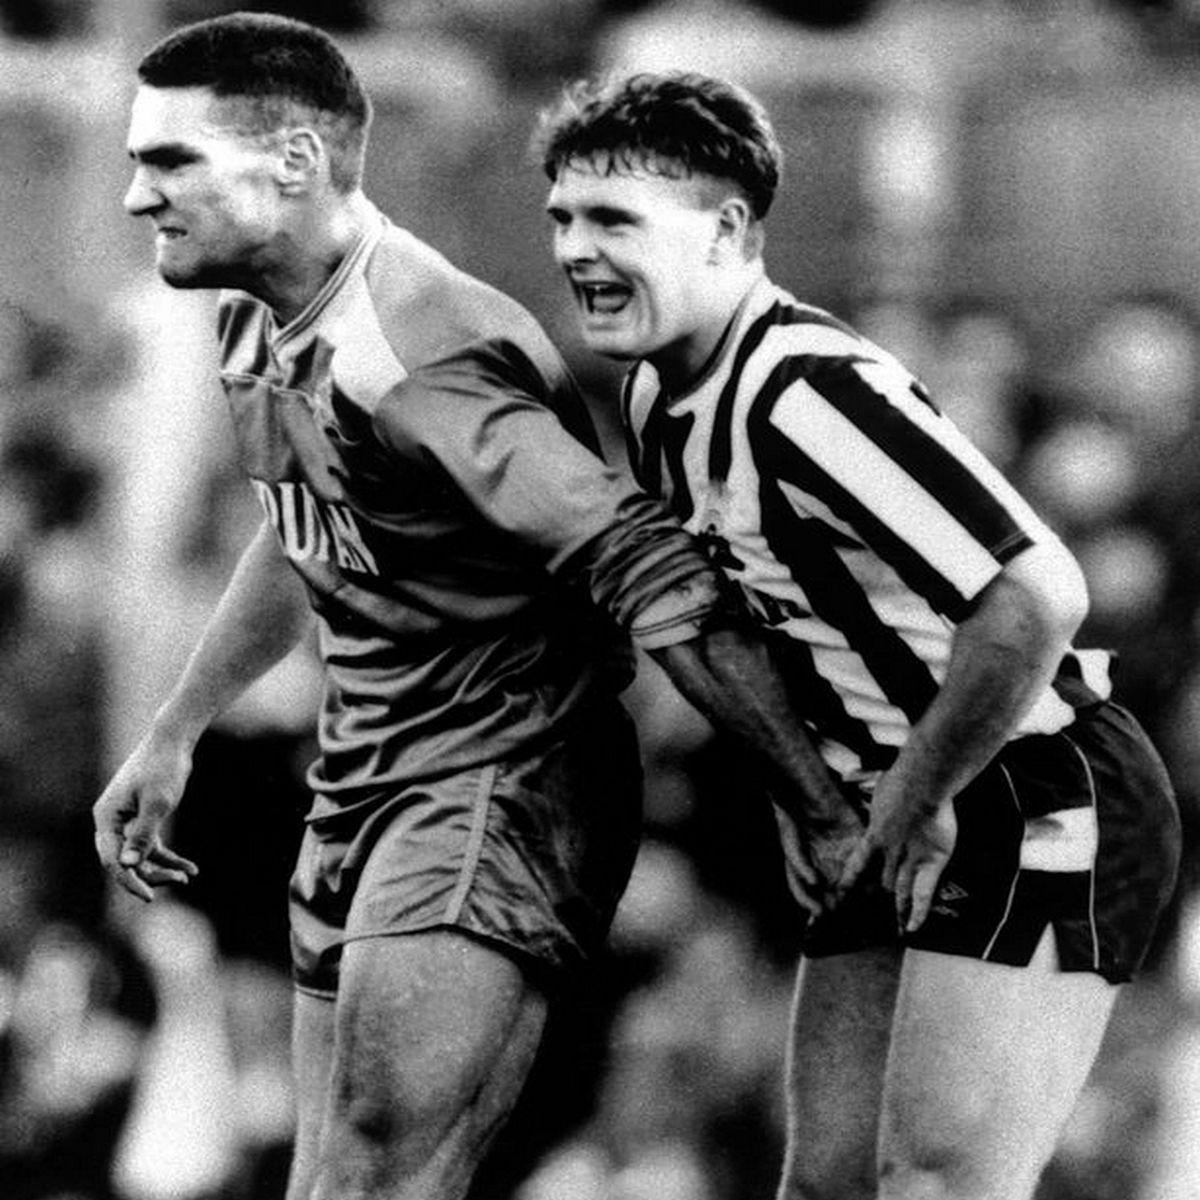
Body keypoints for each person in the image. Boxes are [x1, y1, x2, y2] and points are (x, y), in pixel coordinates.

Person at [92, 17, 858, 1200]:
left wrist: (817, 807)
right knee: (328, 1174)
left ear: (293, 164)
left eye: (171, 161)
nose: (139, 194)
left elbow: (647, 565)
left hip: (497, 780)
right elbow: (302, 532)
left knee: (382, 1171)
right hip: (361, 774)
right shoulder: (255, 315)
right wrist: (175, 729)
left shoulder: (419, 348)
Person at [534, 71, 1183, 1200]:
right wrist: (817, 801)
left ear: (728, 230)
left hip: (1032, 791)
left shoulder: (806, 392)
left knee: (933, 1183)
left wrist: (913, 797)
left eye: (615, 221)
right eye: (565, 218)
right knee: (827, 1183)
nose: (577, 250)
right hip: (893, 803)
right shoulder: (654, 398)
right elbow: (726, 621)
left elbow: (1037, 597)